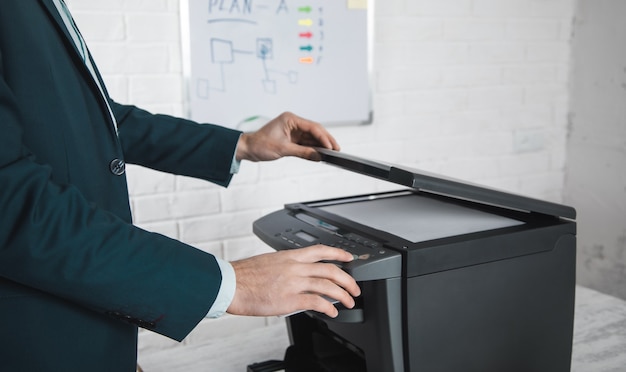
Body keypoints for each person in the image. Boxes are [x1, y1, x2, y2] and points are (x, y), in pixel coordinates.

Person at [0, 1, 361, 370]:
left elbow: (99, 119)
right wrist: (230, 283)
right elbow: (11, 205)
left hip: (85, 326)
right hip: (34, 336)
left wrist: (243, 143)